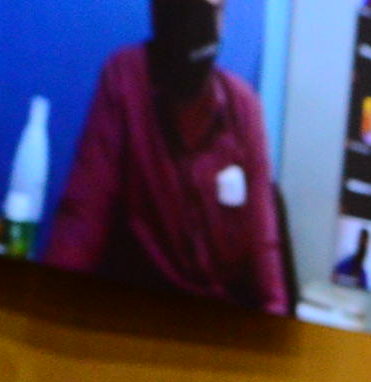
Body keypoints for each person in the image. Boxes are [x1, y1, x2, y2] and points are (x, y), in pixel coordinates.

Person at [42, 0, 291, 314]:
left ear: (222, 17)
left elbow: (265, 258)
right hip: (139, 319)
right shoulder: (126, 78)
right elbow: (81, 222)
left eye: (210, 10)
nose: (194, 22)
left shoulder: (243, 107)